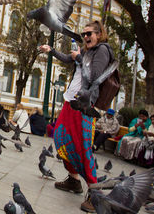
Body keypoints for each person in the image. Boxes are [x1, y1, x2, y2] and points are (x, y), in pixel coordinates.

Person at [39, 20, 113, 212]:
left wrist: (79, 58)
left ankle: (95, 194)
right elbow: (67, 58)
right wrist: (51, 50)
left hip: (84, 107)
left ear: (99, 34)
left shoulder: (102, 51)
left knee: (82, 148)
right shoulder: (86, 51)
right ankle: (73, 180)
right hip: (70, 101)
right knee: (60, 138)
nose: (86, 37)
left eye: (89, 34)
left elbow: (95, 74)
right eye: (84, 34)